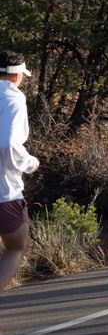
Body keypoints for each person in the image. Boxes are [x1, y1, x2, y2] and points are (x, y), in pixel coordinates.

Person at [0, 52, 40, 300]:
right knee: (16, 247)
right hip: (4, 191)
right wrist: (29, 163)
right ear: (17, 75)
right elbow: (8, 145)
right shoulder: (11, 97)